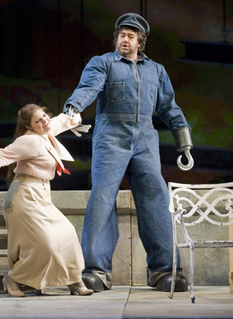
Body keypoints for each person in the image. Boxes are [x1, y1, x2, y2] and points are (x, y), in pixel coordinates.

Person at [63, 13, 193, 292]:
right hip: (111, 134)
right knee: (102, 198)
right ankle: (96, 270)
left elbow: (169, 106)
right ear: (116, 38)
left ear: (140, 41)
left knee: (156, 198)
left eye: (131, 35)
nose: (125, 39)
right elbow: (88, 88)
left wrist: (183, 137)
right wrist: (74, 108)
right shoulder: (103, 63)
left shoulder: (156, 70)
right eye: (121, 34)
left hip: (145, 137)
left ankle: (164, 270)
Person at [0, 103, 93, 297]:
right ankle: (12, 279)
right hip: (25, 197)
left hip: (42, 195)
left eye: (44, 116)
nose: (45, 121)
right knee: (46, 244)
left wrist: (74, 117)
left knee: (68, 234)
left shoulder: (45, 128)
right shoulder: (29, 141)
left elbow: (61, 121)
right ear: (29, 126)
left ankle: (74, 282)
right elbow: (3, 154)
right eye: (38, 120)